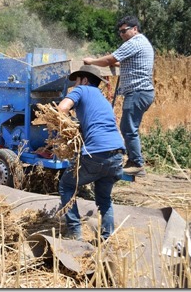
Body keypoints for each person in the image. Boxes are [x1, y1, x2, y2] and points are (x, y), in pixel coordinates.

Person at [57, 65, 125, 242]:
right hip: (117, 153)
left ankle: (74, 232)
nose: (75, 85)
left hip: (96, 153)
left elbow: (62, 108)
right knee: (104, 199)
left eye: (77, 80)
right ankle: (106, 239)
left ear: (85, 80)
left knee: (66, 186)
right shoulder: (102, 99)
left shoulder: (82, 90)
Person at [83, 15, 154, 176]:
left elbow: (110, 59)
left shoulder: (134, 42)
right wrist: (110, 62)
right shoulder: (142, 42)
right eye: (120, 32)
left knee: (128, 128)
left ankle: (136, 164)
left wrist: (91, 62)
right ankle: (132, 161)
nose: (122, 34)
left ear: (134, 29)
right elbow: (121, 62)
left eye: (124, 31)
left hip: (137, 92)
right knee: (129, 127)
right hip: (142, 92)